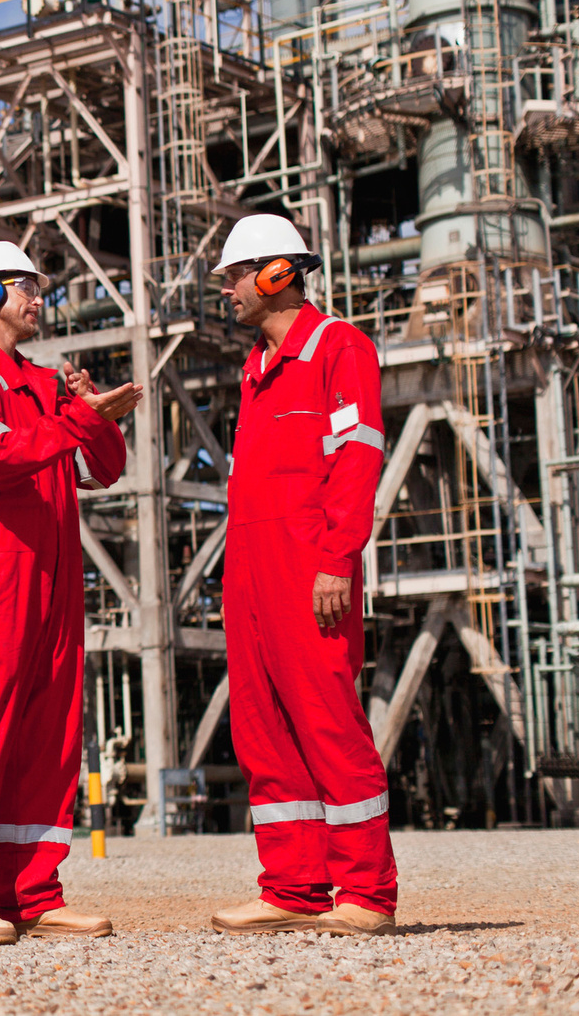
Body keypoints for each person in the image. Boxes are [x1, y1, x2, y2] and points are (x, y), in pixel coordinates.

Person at [0, 240, 142, 945]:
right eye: (25, 285)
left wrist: (91, 411)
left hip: (50, 587)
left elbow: (104, 468)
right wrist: (75, 418)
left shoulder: (45, 384)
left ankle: (35, 893)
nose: (39, 295)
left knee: (48, 745)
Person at [210, 213, 397, 937]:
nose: (226, 290)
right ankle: (293, 884)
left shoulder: (336, 347)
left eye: (233, 275)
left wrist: (336, 557)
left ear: (276, 274)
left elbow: (356, 459)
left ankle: (367, 890)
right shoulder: (257, 371)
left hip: (308, 564)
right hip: (250, 573)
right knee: (263, 728)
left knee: (326, 720)